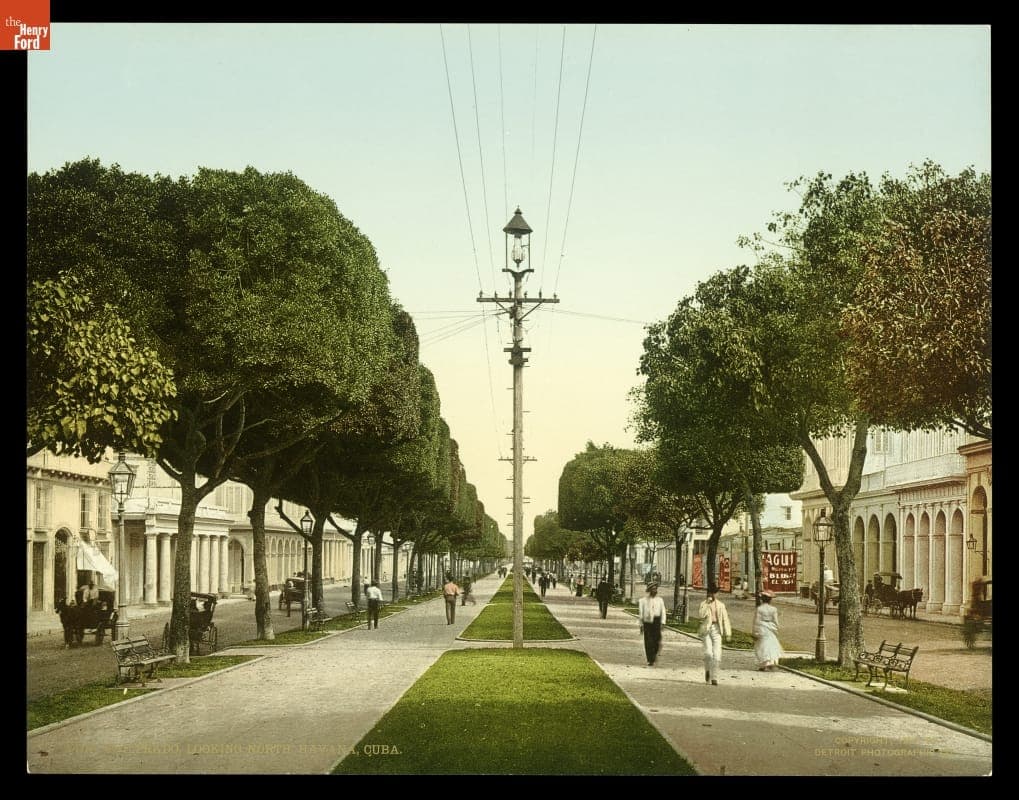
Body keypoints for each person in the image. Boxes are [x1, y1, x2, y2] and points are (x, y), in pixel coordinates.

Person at [698, 584, 732, 685]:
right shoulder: (703, 604)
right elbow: (701, 615)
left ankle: (714, 677)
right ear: (708, 593)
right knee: (708, 653)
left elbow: (725, 619)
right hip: (706, 629)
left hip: (717, 629)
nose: (713, 595)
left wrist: (728, 633)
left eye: (715, 593)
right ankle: (707, 670)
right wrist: (707, 604)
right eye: (711, 592)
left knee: (717, 655)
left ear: (717, 593)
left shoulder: (721, 605)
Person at [752, 589, 782, 670]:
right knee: (771, 644)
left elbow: (756, 620)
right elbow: (775, 621)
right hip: (770, 627)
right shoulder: (773, 609)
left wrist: (755, 631)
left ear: (762, 599)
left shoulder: (759, 609)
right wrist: (777, 628)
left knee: (762, 645)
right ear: (770, 600)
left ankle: (764, 663)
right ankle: (771, 662)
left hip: (762, 627)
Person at [638, 583, 667, 666]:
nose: (655, 591)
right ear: (649, 590)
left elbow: (663, 612)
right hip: (647, 623)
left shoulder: (660, 600)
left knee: (657, 640)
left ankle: (654, 654)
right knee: (648, 641)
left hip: (656, 621)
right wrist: (641, 625)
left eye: (655, 589)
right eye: (653, 589)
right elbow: (641, 614)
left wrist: (663, 622)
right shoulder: (643, 601)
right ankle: (650, 659)